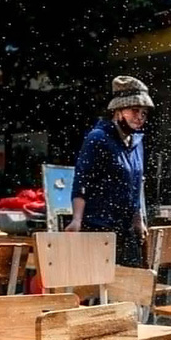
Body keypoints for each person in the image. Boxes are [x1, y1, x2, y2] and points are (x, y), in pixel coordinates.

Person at [68, 76, 151, 267]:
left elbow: (136, 187)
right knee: (99, 289)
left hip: (127, 228)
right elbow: (81, 182)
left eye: (144, 113)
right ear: (118, 111)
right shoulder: (98, 138)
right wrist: (77, 220)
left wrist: (138, 221)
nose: (140, 117)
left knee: (132, 285)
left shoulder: (137, 143)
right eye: (134, 111)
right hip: (99, 227)